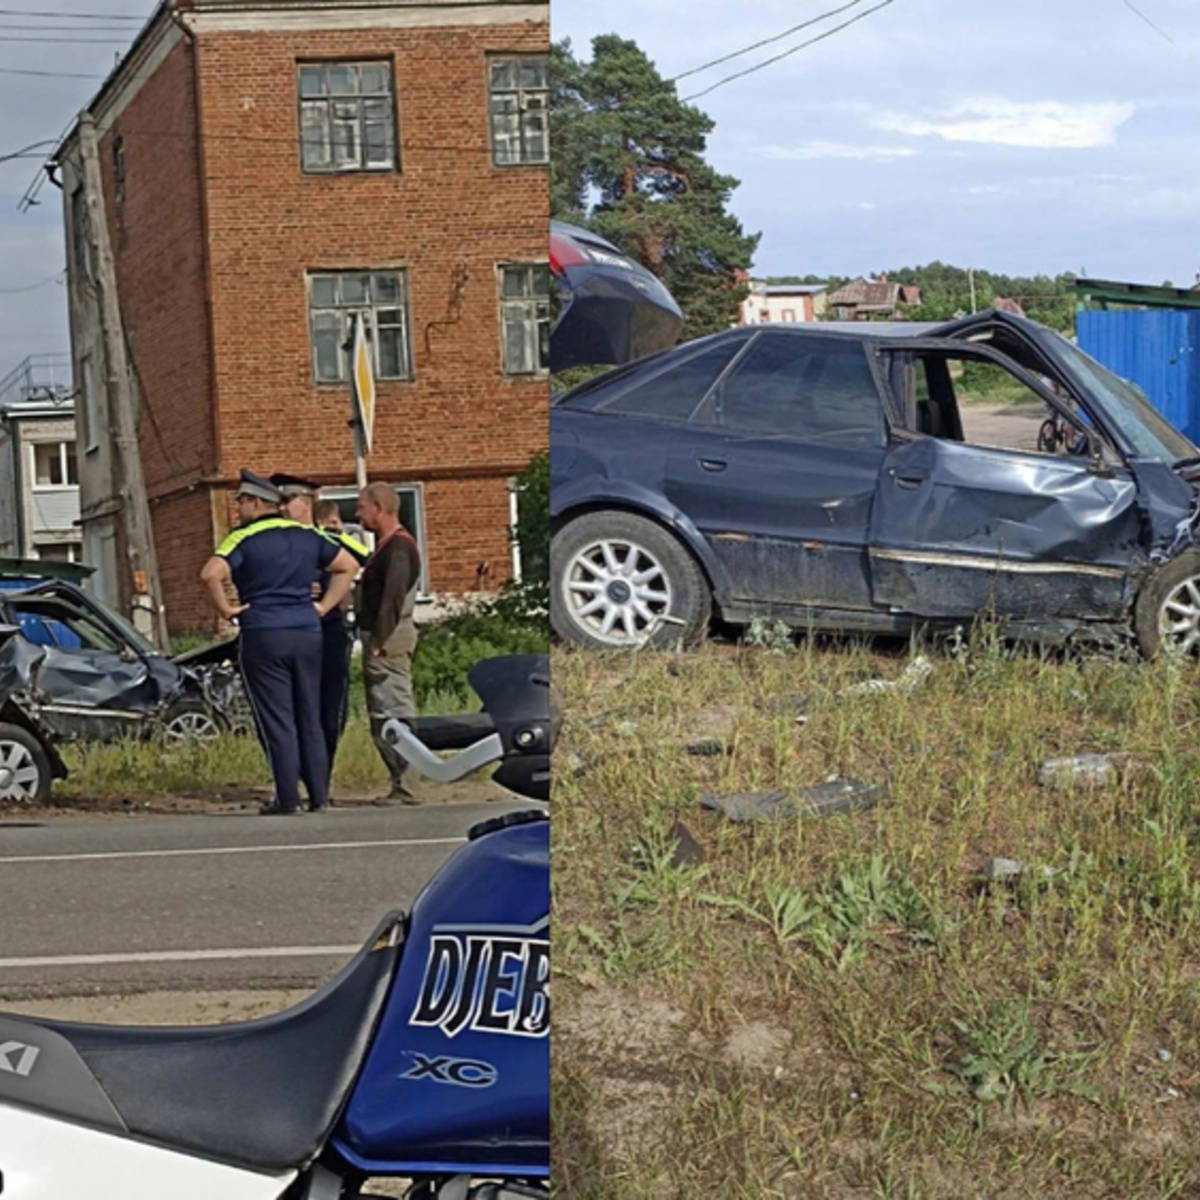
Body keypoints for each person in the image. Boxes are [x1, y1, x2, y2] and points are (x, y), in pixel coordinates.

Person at [200, 469, 358, 815]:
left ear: (257, 502)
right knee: (310, 713)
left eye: (241, 501)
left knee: (277, 716)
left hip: (264, 633)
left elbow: (210, 573)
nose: (237, 508)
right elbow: (347, 566)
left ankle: (288, 797)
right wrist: (323, 606)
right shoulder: (306, 535)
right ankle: (319, 795)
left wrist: (227, 609)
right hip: (307, 631)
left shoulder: (243, 537)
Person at [270, 475, 369, 783]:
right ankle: (291, 775)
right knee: (288, 707)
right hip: (286, 630)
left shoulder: (331, 539)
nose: (283, 509)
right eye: (280, 502)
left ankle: (321, 774)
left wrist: (332, 596)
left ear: (309, 502)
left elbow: (364, 562)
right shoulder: (273, 541)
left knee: (328, 706)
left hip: (327, 630)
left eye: (289, 501)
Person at [356, 481, 422, 804]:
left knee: (392, 707)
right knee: (384, 707)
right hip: (386, 635)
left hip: (390, 637)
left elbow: (393, 596)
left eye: (361, 507)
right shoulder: (389, 546)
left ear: (378, 509)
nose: (358, 514)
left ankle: (407, 782)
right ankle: (401, 780)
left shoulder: (398, 548)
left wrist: (378, 639)